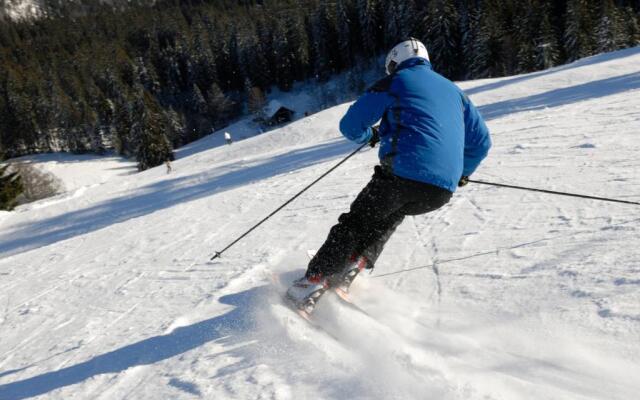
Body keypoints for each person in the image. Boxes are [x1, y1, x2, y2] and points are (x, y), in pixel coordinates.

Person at [286, 38, 492, 313]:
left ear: (394, 63)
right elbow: (481, 143)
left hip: (401, 175)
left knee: (355, 223)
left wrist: (369, 134)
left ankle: (313, 282)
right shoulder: (456, 92)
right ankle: (353, 265)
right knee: (388, 216)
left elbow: (350, 126)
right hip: (440, 192)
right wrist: (463, 174)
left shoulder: (396, 81)